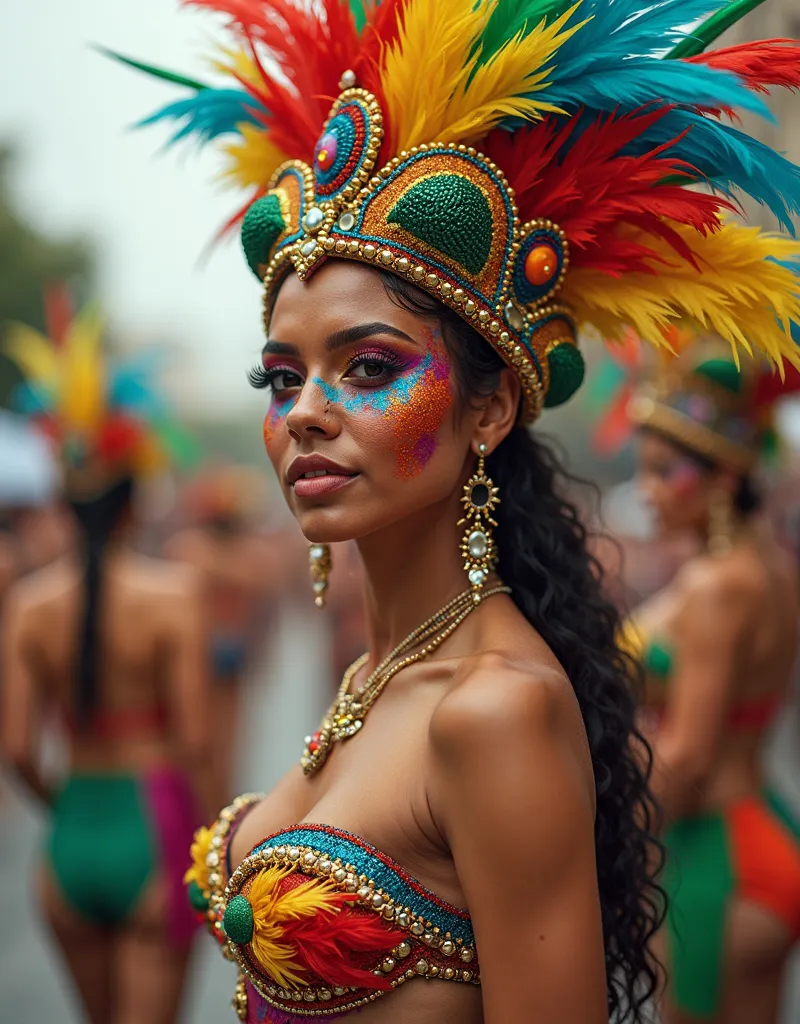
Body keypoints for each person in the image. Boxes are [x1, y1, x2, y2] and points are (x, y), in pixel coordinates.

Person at [118, 0, 800, 1019]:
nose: (305, 412)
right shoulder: (378, 668)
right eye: (279, 377)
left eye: (368, 367)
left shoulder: (494, 710)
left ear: (486, 409)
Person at [0, 301, 212, 1024]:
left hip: (70, 839)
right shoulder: (174, 596)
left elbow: (19, 749)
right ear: (131, 504)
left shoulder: (29, 604)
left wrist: (68, 812)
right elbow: (194, 742)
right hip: (154, 829)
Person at [625, 349, 800, 1024]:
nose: (648, 491)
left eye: (666, 472)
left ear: (724, 477)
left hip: (715, 856)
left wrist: (609, 849)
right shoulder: (769, 566)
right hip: (763, 827)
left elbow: (689, 759)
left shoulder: (714, 587)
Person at [165, 464, 287, 805]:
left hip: (230, 650)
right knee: (198, 733)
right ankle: (204, 800)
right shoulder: (195, 550)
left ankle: (215, 801)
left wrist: (262, 652)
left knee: (221, 736)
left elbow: (266, 611)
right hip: (199, 652)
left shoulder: (205, 552)